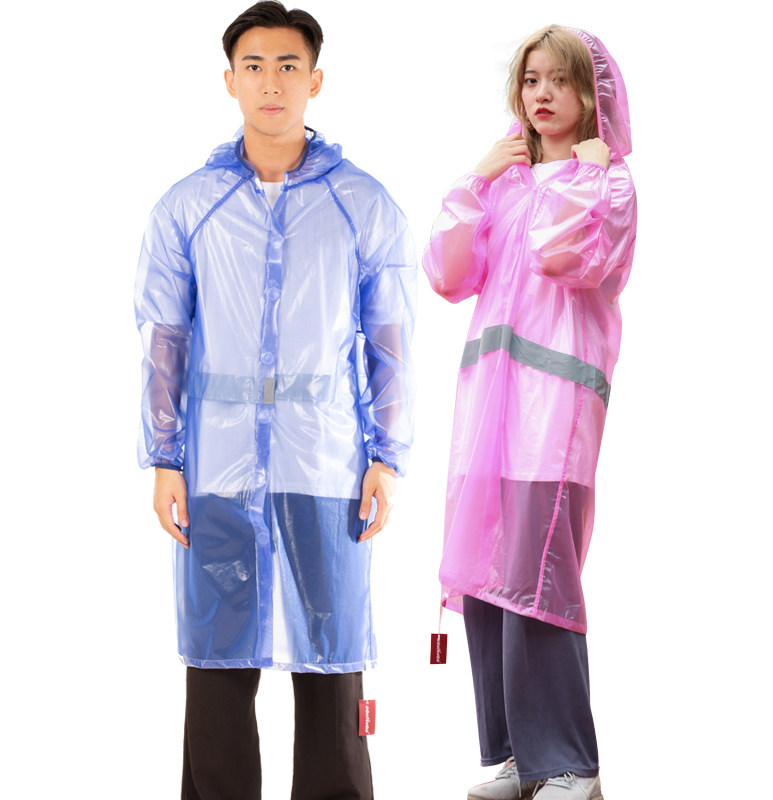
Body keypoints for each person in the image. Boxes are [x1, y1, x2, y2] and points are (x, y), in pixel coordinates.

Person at [134, 2, 416, 798]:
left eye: (288, 66)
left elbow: (391, 343)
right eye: (253, 66)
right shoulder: (188, 205)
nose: (271, 82)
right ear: (229, 80)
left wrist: (388, 457)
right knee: (218, 664)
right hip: (217, 467)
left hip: (326, 466)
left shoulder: (362, 203)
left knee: (332, 666)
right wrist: (164, 458)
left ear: (315, 81)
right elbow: (163, 338)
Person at [422, 25, 636, 800]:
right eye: (531, 79)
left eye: (561, 80)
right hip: (489, 414)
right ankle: (520, 757)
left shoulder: (608, 183)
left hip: (556, 414)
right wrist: (475, 181)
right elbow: (448, 274)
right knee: (487, 579)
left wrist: (584, 172)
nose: (542, 94)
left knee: (539, 576)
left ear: (593, 94)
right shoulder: (505, 184)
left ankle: (570, 763)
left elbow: (561, 253)